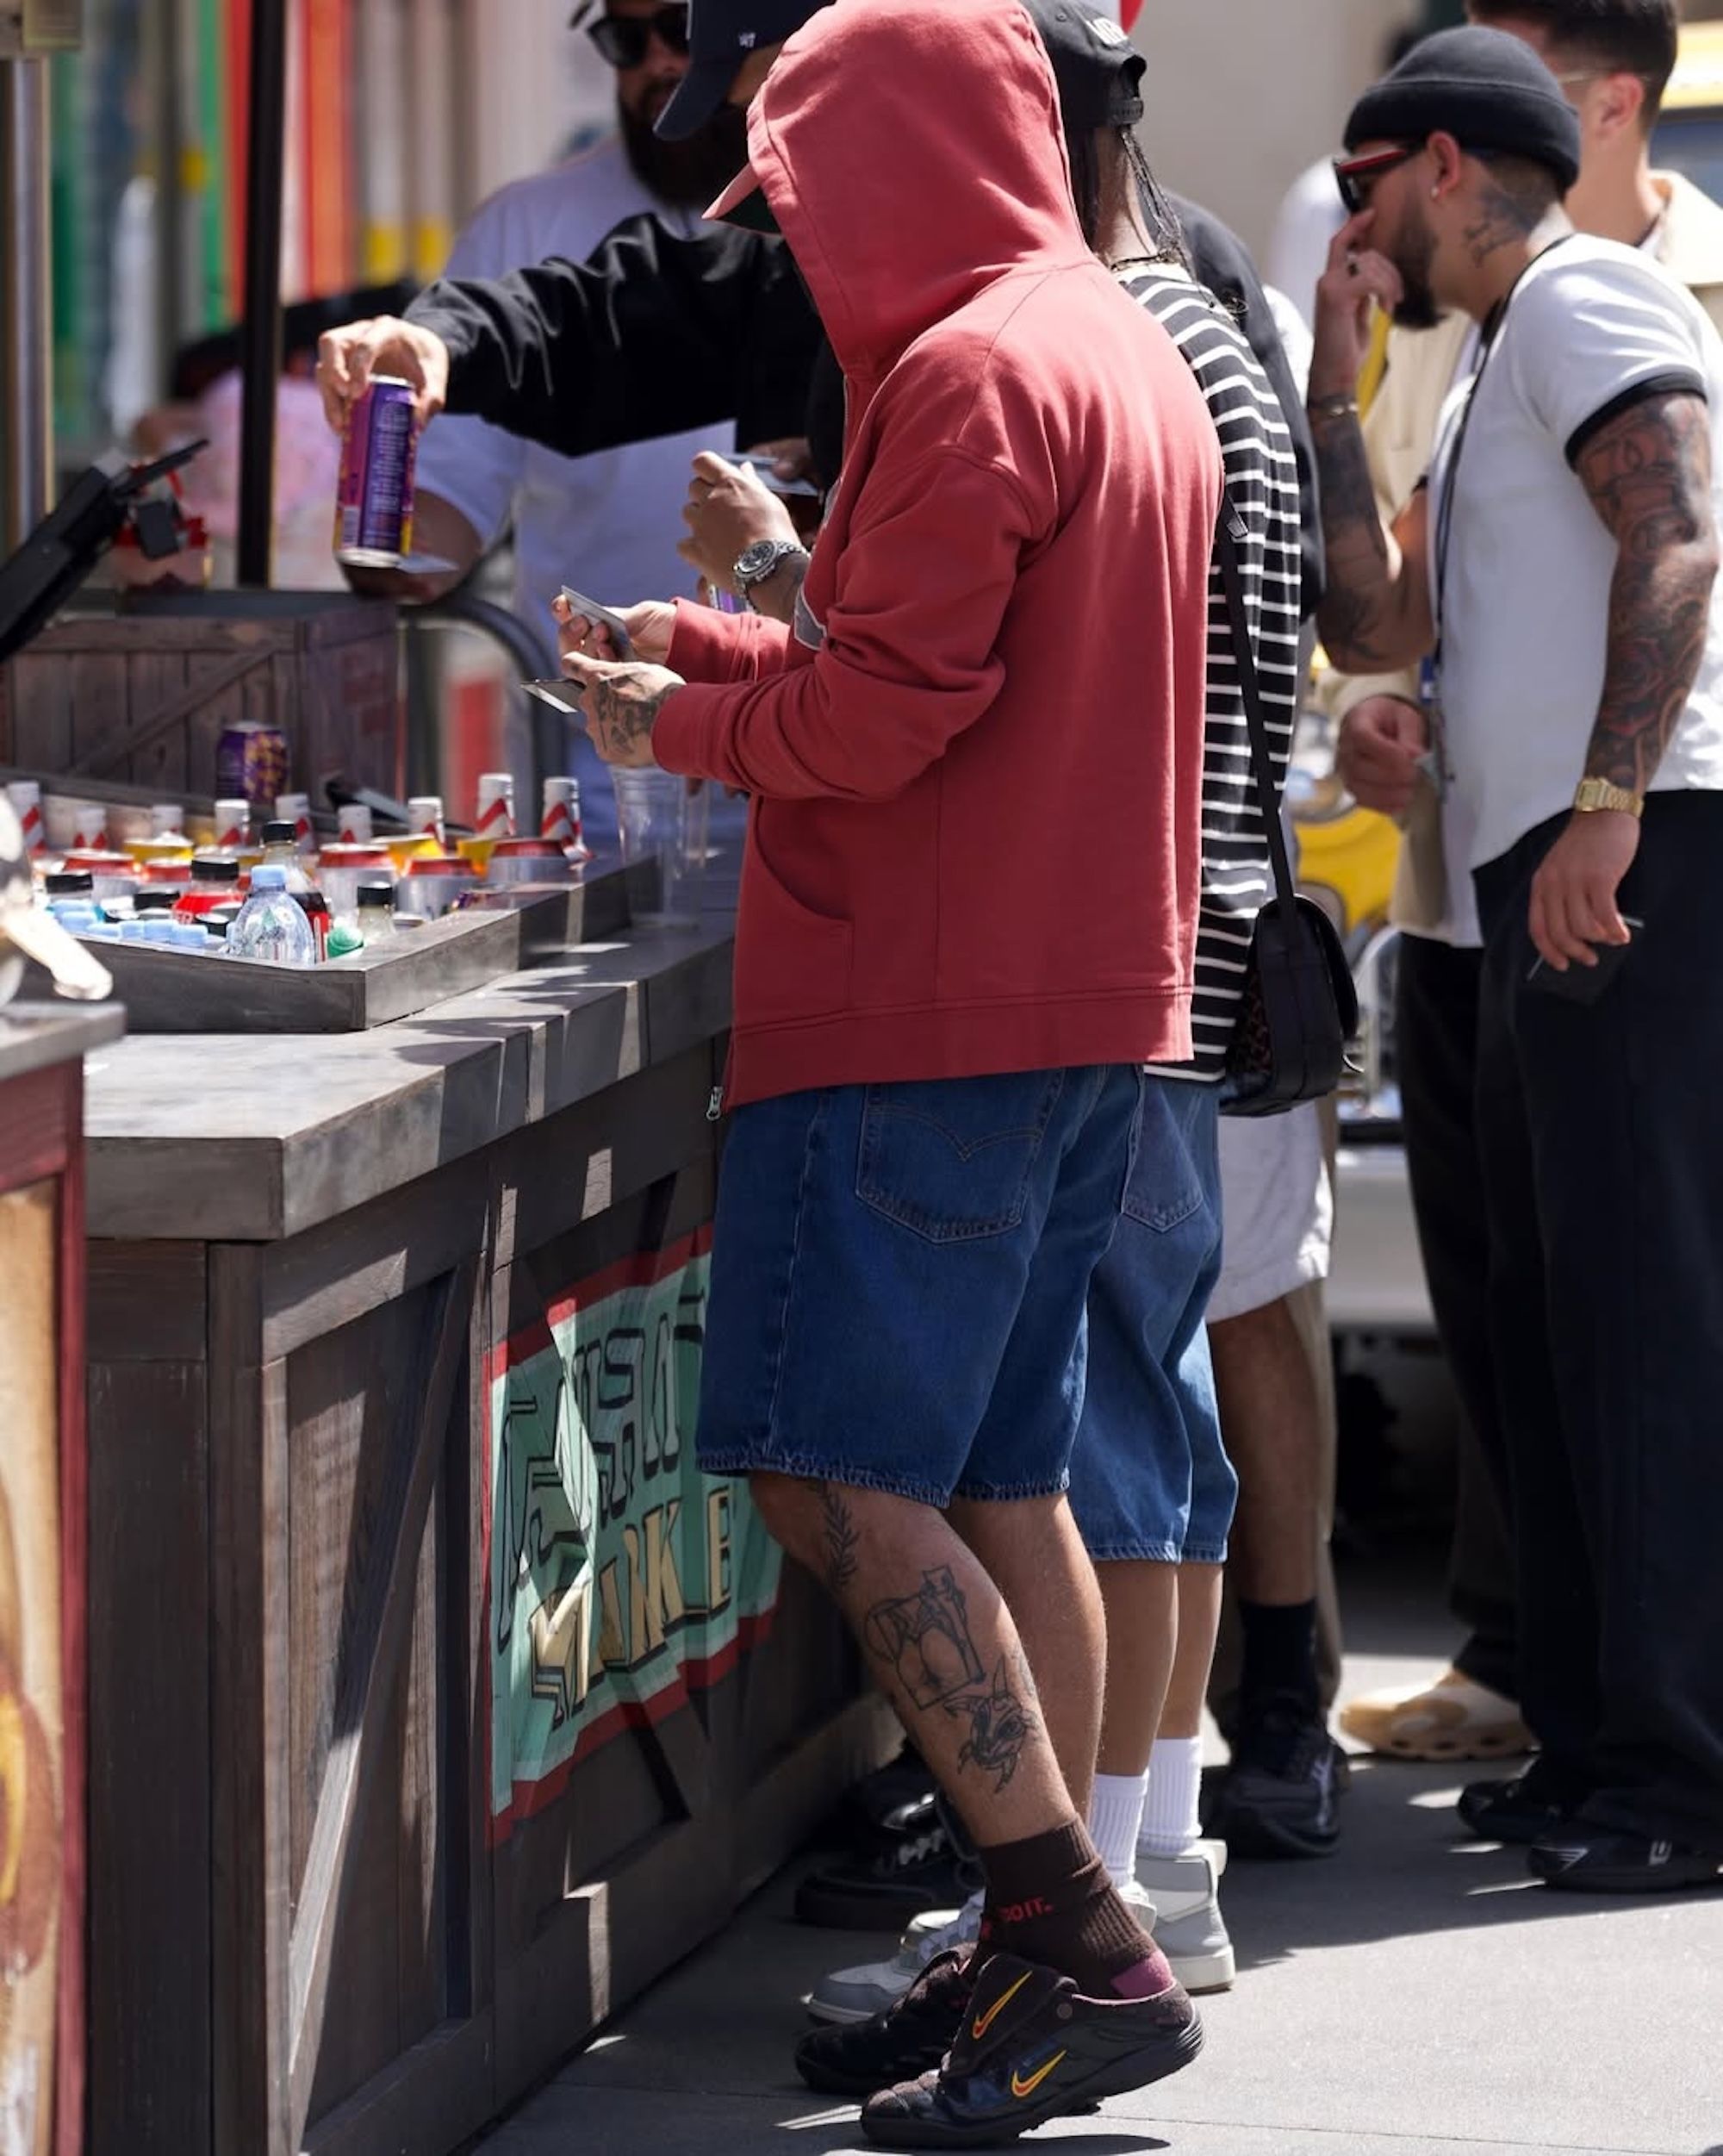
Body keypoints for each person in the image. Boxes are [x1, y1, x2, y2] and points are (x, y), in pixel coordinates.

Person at [561, 0, 1227, 2131]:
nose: (792, 233)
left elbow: (882, 721)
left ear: (896, 156)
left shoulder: (962, 369)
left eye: (802, 185)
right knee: (999, 1475)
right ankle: (1052, 1907)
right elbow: (931, 672)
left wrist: (674, 720)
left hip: (919, 1002)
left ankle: (1079, 1941)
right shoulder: (1111, 335)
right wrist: (713, 651)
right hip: (1073, 1002)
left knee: (833, 1473)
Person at [1311, 24, 1723, 1892]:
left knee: (1639, 1328)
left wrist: (1607, 801)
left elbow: (1678, 537)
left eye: (1367, 189)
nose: (1354, 227)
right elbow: (1378, 619)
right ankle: (1595, 1744)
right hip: (1530, 872)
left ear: (1445, 163)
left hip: (1631, 859)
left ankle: (1679, 1781)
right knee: (1556, 1339)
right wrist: (1336, 391)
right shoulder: (1491, 352)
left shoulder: (1581, 299)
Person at [343, 0, 756, 655]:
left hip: (815, 707)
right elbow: (439, 515)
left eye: (680, 27)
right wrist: (370, 499)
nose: (657, 61)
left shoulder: (836, 218)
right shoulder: (527, 225)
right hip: (592, 709)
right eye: (625, 38)